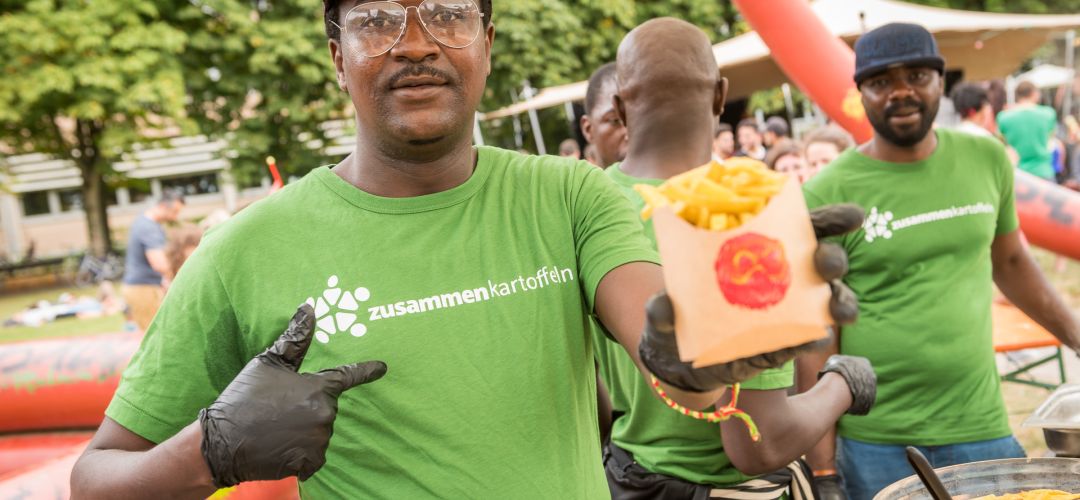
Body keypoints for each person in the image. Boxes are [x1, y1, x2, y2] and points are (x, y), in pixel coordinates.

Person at [71, 3, 862, 498]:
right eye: (379, 20)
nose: (416, 43)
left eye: (447, 14)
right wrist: (207, 451)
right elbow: (94, 481)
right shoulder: (243, 251)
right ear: (335, 52)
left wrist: (712, 332)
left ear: (485, 39)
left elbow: (654, 324)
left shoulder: (570, 195)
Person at [598, 18, 876, 500]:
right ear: (721, 96)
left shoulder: (588, 203)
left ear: (620, 108)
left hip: (625, 480)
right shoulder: (746, 209)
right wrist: (845, 383)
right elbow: (759, 443)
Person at [800, 23, 1080, 500]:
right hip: (876, 439)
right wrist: (822, 470)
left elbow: (1011, 262)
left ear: (940, 80)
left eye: (916, 75)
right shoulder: (828, 191)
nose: (901, 92)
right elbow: (818, 331)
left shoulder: (986, 159)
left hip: (980, 426)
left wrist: (1076, 334)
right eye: (882, 81)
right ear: (861, 93)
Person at [121, 189, 184, 331]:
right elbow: (160, 264)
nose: (175, 217)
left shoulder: (146, 223)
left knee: (156, 334)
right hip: (143, 288)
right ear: (162, 206)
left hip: (144, 286)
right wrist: (178, 280)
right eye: (174, 211)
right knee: (155, 336)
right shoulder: (149, 228)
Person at [998, 80, 1058, 180]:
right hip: (1043, 172)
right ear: (1034, 93)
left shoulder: (1004, 117)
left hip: (1017, 174)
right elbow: (1050, 141)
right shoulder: (1048, 114)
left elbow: (1002, 145)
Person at [580, 62, 627, 168]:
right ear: (588, 129)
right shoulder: (578, 184)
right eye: (615, 120)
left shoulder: (669, 183)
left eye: (637, 120)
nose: (629, 132)